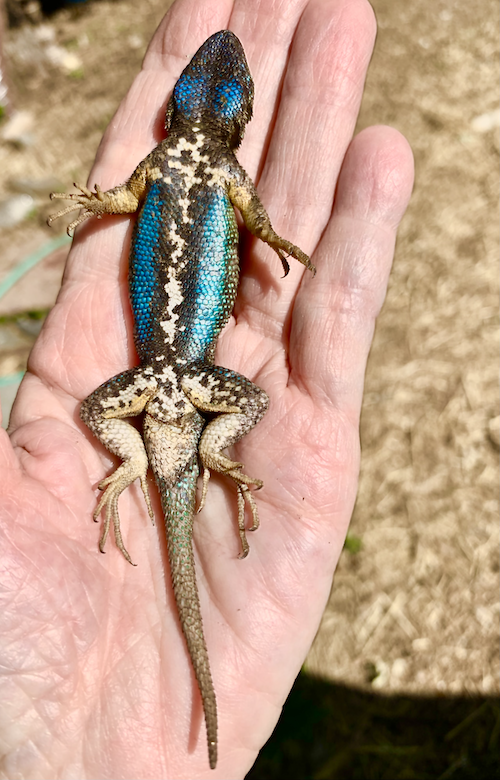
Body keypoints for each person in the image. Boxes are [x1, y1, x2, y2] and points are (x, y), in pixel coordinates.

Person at [0, 0, 414, 776]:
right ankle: (202, 453)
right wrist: (277, 238)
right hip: (188, 377)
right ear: (238, 119)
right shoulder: (226, 168)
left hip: (155, 377)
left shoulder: (160, 160)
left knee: (99, 411)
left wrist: (95, 202)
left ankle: (141, 456)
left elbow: (124, 203)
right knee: (248, 401)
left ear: (175, 109)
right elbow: (258, 219)